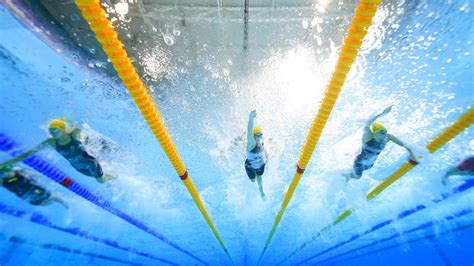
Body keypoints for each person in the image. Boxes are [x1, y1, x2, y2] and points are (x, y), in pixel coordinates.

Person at [0, 119, 114, 183]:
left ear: (63, 129)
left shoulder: (74, 134)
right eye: (51, 130)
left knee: (100, 179)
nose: (53, 132)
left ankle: (112, 176)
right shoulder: (51, 142)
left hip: (91, 163)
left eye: (55, 130)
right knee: (102, 179)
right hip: (79, 168)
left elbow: (78, 123)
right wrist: (7, 163)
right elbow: (29, 154)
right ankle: (112, 176)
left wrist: (67, 121)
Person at [345, 106, 418, 180]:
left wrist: (411, 153)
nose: (385, 135)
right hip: (359, 163)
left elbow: (404, 144)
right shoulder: (368, 138)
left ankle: (349, 174)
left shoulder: (386, 138)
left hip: (369, 165)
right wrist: (382, 113)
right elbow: (367, 123)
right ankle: (345, 175)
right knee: (357, 177)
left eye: (386, 132)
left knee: (356, 173)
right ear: (374, 134)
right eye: (382, 132)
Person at [0, 165, 68, 208]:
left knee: (49, 198)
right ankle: (64, 203)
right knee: (51, 197)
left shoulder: (5, 182)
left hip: (31, 196)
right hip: (34, 194)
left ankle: (64, 203)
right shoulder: (18, 173)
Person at [245, 110, 268, 198]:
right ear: (254, 136)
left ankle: (261, 191)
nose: (259, 137)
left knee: (259, 176)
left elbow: (264, 150)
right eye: (257, 135)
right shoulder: (252, 143)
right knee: (253, 180)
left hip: (260, 163)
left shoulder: (261, 141)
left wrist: (267, 158)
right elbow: (249, 133)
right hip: (250, 165)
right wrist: (250, 119)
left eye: (260, 135)